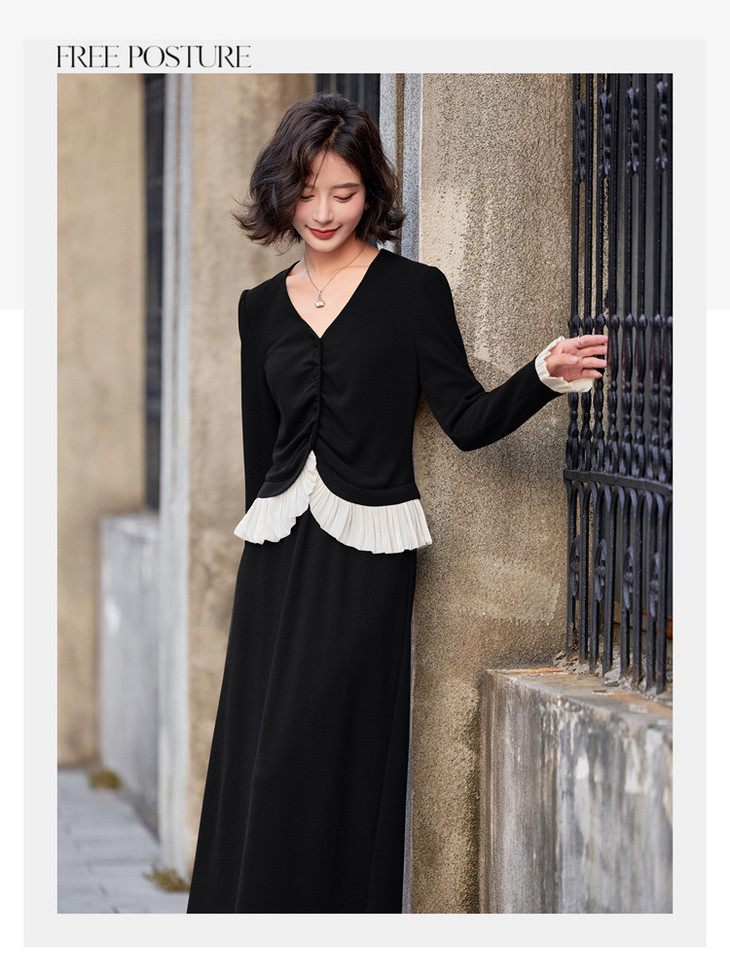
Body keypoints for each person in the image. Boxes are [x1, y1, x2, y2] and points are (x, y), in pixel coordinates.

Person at [185, 92, 607, 915]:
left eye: (343, 193)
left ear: (370, 192)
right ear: (281, 192)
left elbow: (467, 420)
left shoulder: (413, 291)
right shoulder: (258, 309)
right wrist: (260, 564)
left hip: (367, 563)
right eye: (306, 192)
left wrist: (541, 375)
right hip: (275, 564)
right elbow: (260, 456)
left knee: (329, 752)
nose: (323, 212)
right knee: (261, 755)